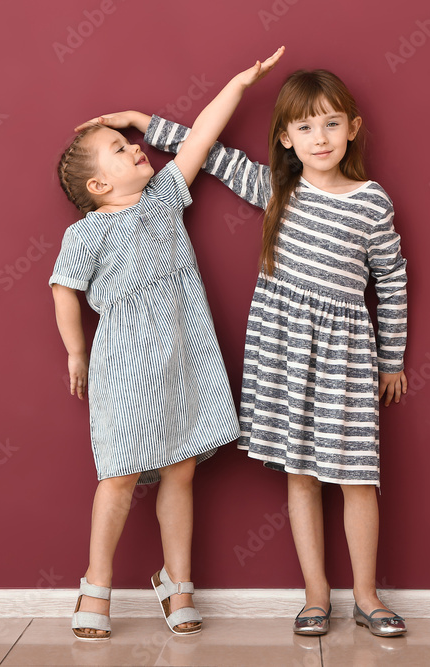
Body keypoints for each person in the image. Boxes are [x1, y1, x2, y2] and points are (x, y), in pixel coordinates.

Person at [92, 68, 409, 637]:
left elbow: (391, 279)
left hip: (345, 358)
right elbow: (207, 153)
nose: (321, 137)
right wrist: (144, 124)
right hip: (283, 352)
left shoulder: (372, 202)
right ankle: (316, 593)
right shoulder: (277, 189)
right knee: (302, 474)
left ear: (353, 129)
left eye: (332, 124)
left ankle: (367, 595)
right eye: (306, 127)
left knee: (358, 477)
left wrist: (392, 358)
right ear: (287, 137)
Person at [51, 47, 285, 641]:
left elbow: (199, 140)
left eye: (134, 142)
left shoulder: (166, 198)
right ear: (100, 183)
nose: (138, 149)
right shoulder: (85, 234)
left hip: (185, 360)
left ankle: (177, 580)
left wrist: (237, 84)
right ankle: (95, 583)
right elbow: (62, 290)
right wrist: (76, 351)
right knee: (119, 477)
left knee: (181, 473)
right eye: (122, 149)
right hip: (125, 370)